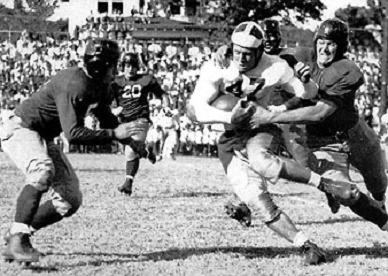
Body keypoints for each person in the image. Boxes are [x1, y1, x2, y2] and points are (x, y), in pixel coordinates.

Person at [188, 21, 332, 265]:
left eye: (248, 53)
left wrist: (306, 81)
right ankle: (306, 245)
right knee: (258, 202)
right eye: (237, 51)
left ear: (259, 51)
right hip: (230, 138)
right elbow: (193, 110)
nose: (241, 58)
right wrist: (227, 117)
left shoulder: (275, 66)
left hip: (259, 127)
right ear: (230, 47)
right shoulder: (217, 65)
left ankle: (324, 183)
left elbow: (306, 93)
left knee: (262, 161)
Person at [0, 38, 148, 263]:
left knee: (69, 200)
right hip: (21, 128)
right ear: (102, 66)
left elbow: (105, 117)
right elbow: (73, 134)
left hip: (43, 135)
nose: (116, 69)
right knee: (41, 170)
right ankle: (18, 240)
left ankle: (16, 233)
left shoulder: (100, 84)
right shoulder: (74, 84)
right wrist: (113, 135)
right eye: (113, 64)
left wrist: (131, 142)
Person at [245, 18, 388, 231]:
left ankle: (381, 203)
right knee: (346, 192)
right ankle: (384, 222)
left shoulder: (347, 69)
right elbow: (263, 56)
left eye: (331, 43)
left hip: (356, 134)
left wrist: (271, 116)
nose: (325, 47)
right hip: (322, 143)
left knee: (377, 184)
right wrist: (225, 51)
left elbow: (320, 112)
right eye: (321, 41)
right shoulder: (298, 57)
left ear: (341, 47)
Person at [113, 53, 170, 196]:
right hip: (123, 122)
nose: (130, 69)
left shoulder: (146, 79)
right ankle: (147, 151)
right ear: (122, 66)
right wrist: (113, 109)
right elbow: (105, 98)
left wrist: (166, 106)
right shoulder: (115, 82)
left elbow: (163, 94)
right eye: (127, 65)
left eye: (133, 66)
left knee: (130, 151)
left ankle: (128, 183)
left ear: (137, 67)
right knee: (131, 154)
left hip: (140, 119)